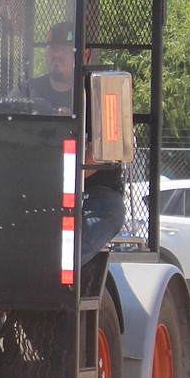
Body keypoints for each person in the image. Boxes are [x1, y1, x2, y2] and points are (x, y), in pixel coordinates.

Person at [28, 22, 124, 267]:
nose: (56, 54)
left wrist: (61, 174)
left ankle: (53, 268)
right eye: (52, 48)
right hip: (34, 191)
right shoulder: (28, 91)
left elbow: (100, 155)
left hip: (93, 195)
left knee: (110, 210)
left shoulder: (103, 95)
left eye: (65, 47)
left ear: (85, 54)